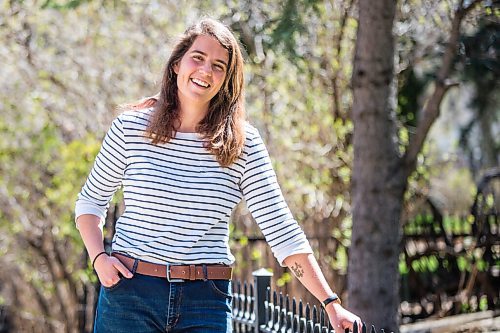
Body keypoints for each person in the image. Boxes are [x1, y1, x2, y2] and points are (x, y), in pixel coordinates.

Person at [75, 18, 362, 333]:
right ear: (176, 65)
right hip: (130, 294)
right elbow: (90, 203)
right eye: (197, 58)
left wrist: (330, 303)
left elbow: (281, 229)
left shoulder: (242, 144)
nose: (205, 71)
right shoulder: (131, 129)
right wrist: (99, 258)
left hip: (205, 301)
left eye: (218, 66)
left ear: (226, 79)